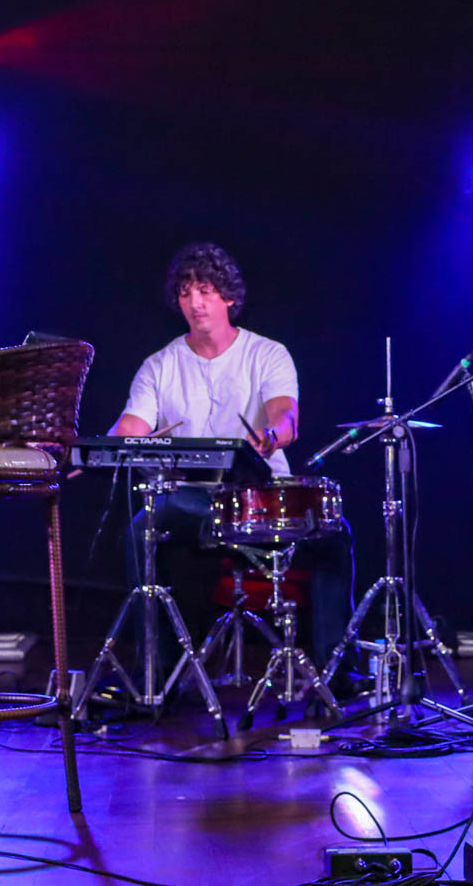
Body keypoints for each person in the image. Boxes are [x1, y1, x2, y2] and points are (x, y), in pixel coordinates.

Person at [110, 242, 353, 668]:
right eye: (185, 292)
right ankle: (156, 673)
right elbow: (131, 427)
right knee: (140, 530)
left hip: (262, 495)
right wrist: (105, 443)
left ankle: (336, 669)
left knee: (333, 534)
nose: (194, 302)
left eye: (205, 290)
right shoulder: (159, 365)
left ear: (228, 297)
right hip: (192, 498)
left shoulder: (267, 354)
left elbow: (285, 416)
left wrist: (272, 434)